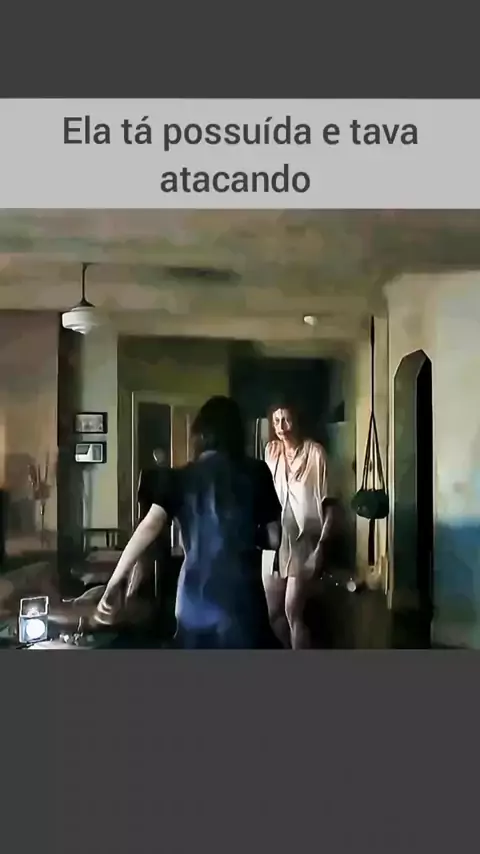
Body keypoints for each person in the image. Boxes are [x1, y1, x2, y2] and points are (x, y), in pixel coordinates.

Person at [93, 396, 281, 649]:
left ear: (200, 435)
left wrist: (114, 583)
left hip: (194, 601)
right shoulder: (257, 472)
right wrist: (244, 534)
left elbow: (148, 528)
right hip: (241, 600)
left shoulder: (180, 478)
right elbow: (274, 539)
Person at [263, 401, 333, 649]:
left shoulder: (315, 454)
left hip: (304, 541)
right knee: (273, 613)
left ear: (297, 421)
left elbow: (330, 505)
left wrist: (322, 547)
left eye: (286, 419)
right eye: (276, 421)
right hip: (275, 540)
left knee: (293, 611)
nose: (281, 427)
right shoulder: (271, 452)